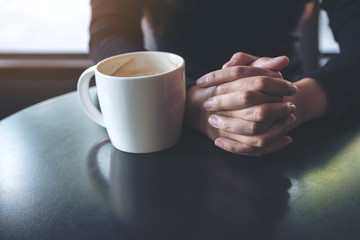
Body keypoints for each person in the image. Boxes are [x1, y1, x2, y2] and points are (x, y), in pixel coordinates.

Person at [89, 0, 360, 156]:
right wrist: (189, 102)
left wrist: (293, 103)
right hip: (170, 113)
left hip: (289, 100)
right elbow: (108, 33)